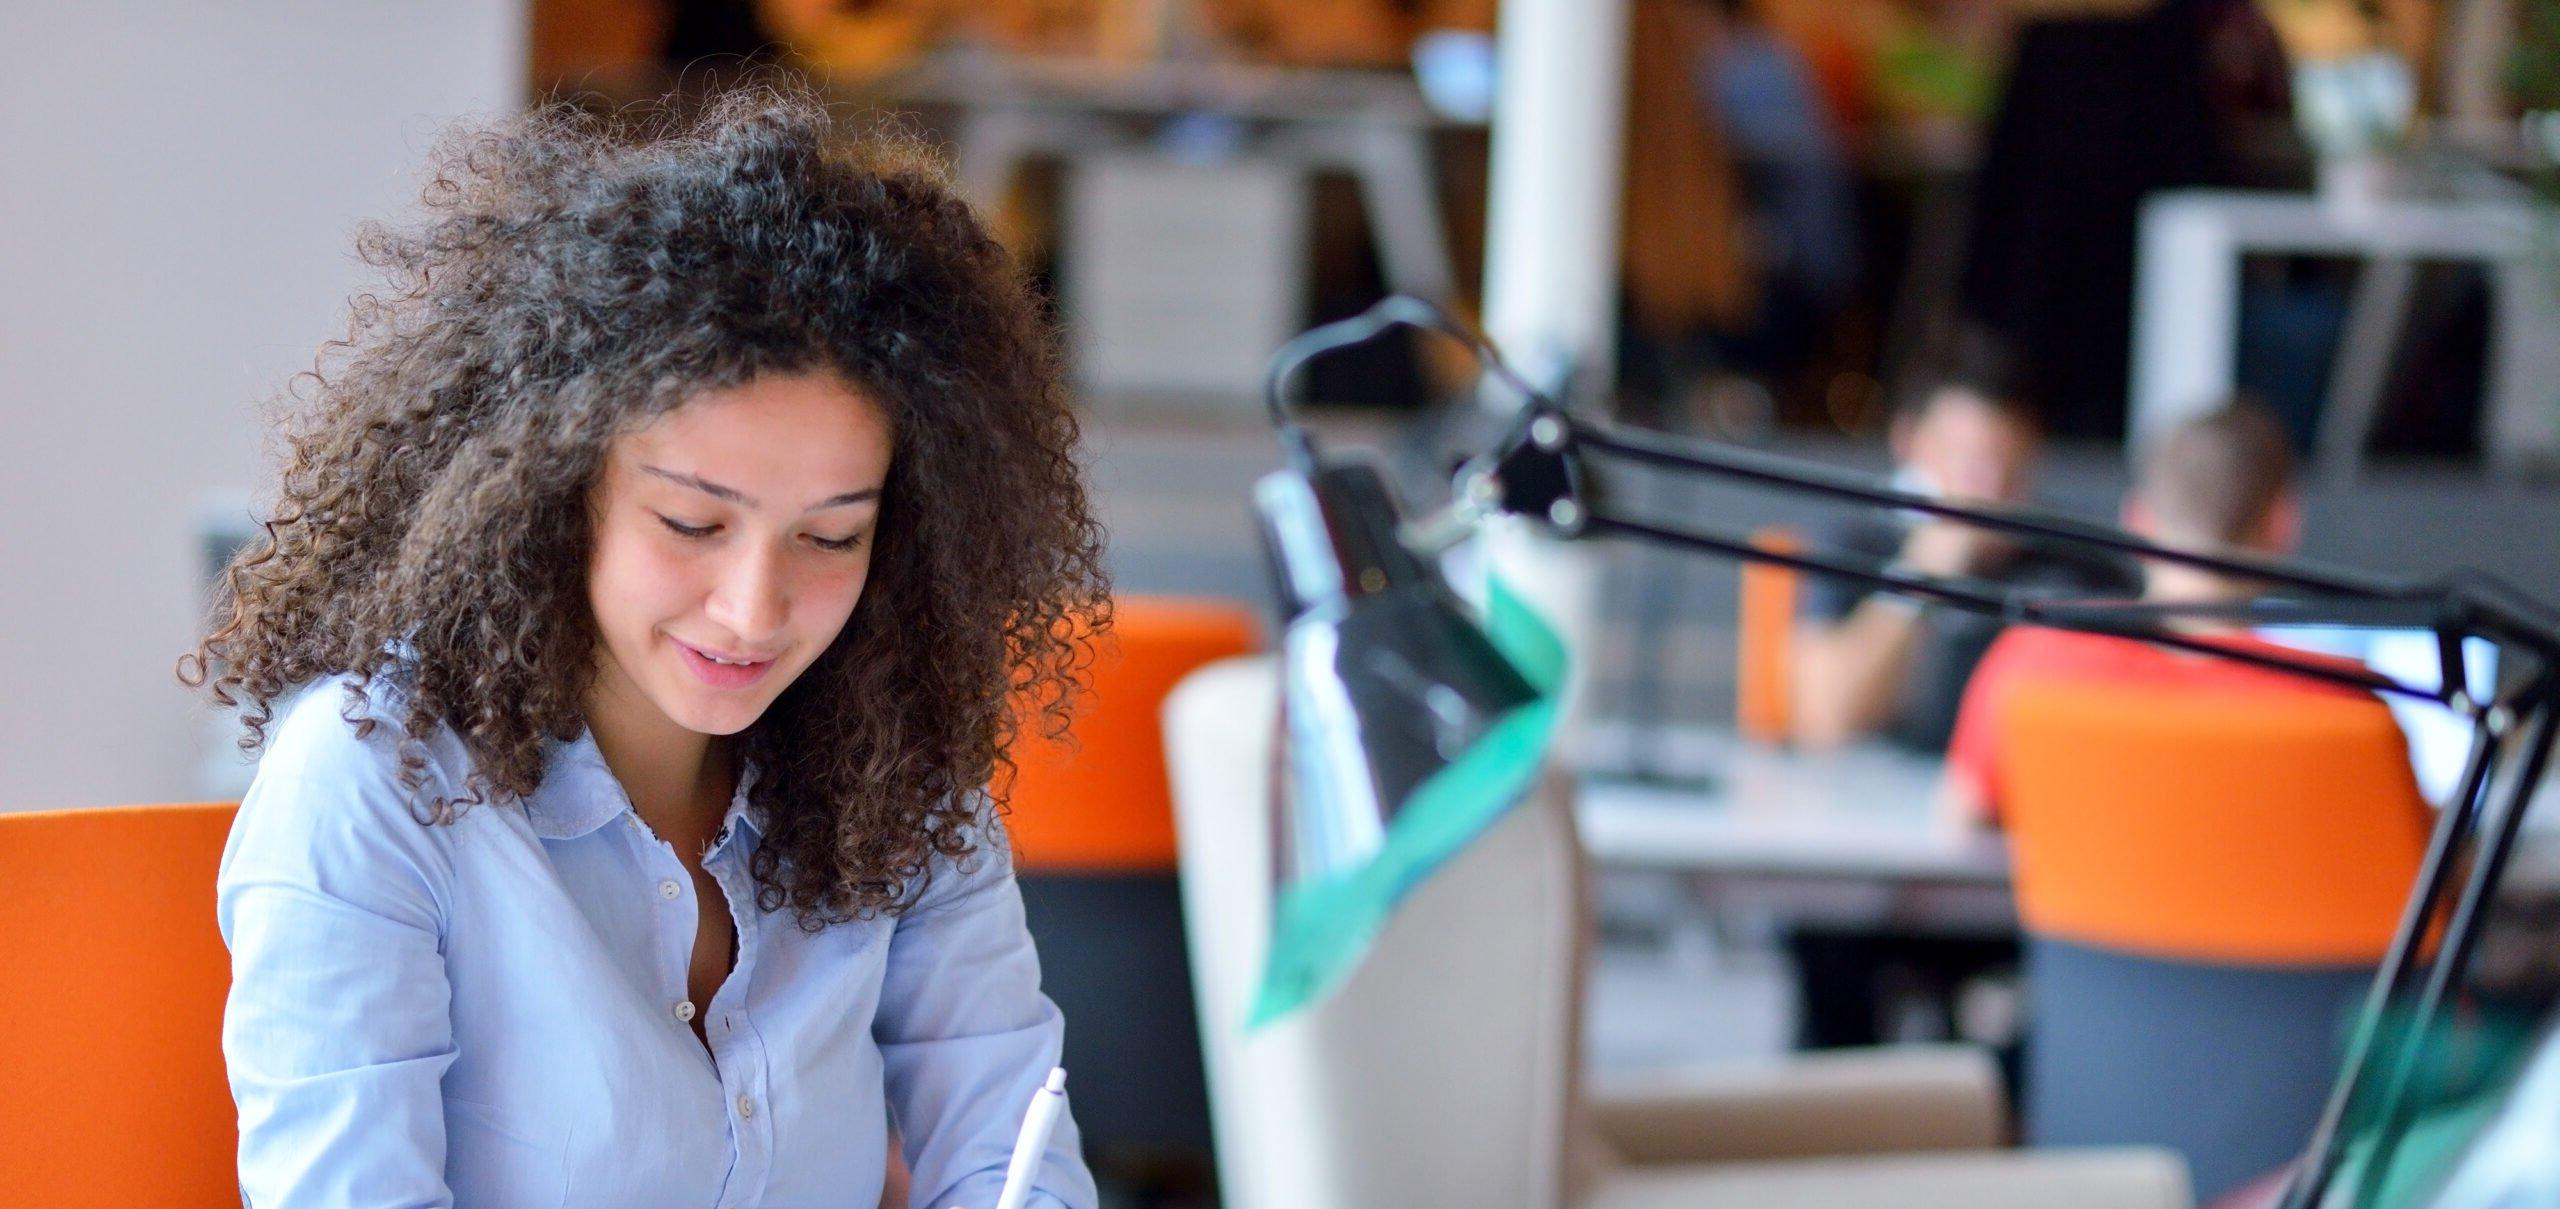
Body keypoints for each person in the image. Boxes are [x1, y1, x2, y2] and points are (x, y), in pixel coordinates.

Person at [183, 84, 1107, 1208]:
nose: (753, 609)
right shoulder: (377, 779)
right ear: (551, 495)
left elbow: (1009, 1156)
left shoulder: (901, 779)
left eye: (831, 536)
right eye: (691, 525)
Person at [1941, 400, 2365, 823]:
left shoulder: (2033, 660)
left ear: (2138, 521)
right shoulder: (2340, 700)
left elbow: (1963, 820)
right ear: (2282, 525)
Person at [1790, 358, 2134, 751]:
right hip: (1878, 791)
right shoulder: (1856, 544)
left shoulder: (2073, 561)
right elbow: (1823, 721)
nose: (1988, 488)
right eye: (1970, 463)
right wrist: (1919, 577)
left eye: (2009, 468)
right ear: (1910, 442)